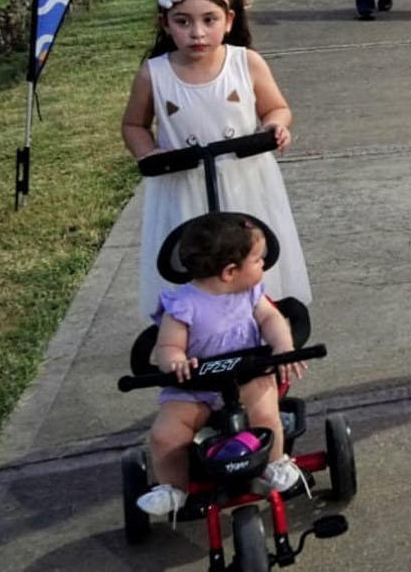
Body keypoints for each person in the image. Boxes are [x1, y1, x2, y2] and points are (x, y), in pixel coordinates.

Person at [120, 0, 306, 322]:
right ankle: (195, 325)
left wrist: (275, 126)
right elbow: (133, 125)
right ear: (165, 23)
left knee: (251, 252)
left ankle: (261, 319)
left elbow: (277, 108)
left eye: (209, 20)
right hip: (184, 186)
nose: (197, 32)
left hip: (244, 182)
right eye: (183, 22)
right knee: (196, 258)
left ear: (229, 20)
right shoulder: (154, 74)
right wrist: (150, 153)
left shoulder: (245, 63)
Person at [131, 214, 306, 518]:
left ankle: (274, 466)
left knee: (265, 414)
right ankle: (173, 488)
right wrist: (177, 362)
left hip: (246, 378)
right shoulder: (183, 304)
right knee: (165, 434)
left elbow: (271, 319)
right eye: (257, 260)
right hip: (195, 389)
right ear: (229, 271)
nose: (263, 265)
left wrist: (283, 346)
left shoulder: (250, 294)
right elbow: (168, 346)